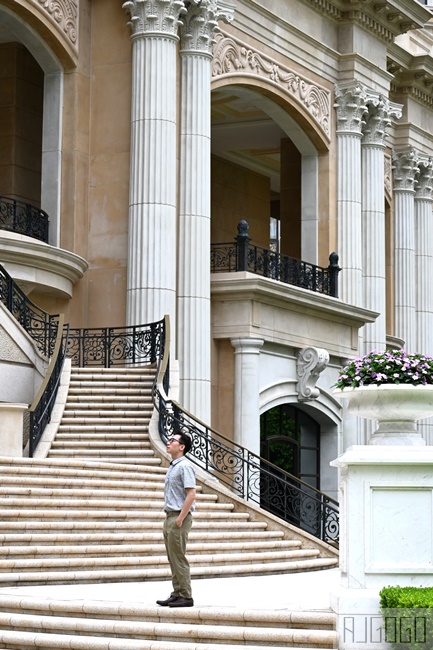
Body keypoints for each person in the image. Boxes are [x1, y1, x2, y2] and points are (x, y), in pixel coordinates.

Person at [156, 430, 196, 608]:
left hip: (179, 517)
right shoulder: (174, 466)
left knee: (179, 557)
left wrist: (180, 518)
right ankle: (177, 592)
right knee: (172, 557)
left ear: (182, 447)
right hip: (170, 516)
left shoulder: (184, 466)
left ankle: (186, 596)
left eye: (173, 440)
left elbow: (191, 494)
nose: (168, 442)